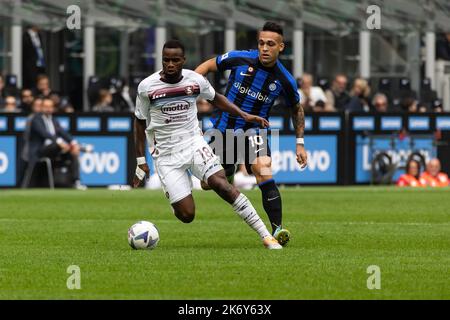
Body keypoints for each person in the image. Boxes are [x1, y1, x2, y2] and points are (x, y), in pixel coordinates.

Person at [133, 39, 281, 250]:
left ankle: (267, 236)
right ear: (162, 61)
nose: (171, 64)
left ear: (184, 60)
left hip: (194, 144)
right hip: (166, 155)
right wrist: (141, 160)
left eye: (176, 60)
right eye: (166, 60)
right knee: (187, 215)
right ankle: (178, 193)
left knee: (222, 185)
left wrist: (244, 115)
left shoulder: (195, 81)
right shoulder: (147, 87)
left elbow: (216, 98)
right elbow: (139, 121)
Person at [195, 21, 308, 246]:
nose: (264, 48)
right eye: (261, 43)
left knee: (263, 170)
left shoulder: (285, 79)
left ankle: (278, 230)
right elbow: (207, 66)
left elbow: (296, 109)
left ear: (281, 47)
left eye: (270, 44)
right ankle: (227, 173)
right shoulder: (240, 58)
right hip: (223, 130)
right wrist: (189, 91)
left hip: (255, 131)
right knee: (208, 184)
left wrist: (300, 143)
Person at [22, 97, 85, 189]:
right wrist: (60, 142)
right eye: (46, 106)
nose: (48, 109)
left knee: (73, 153)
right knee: (58, 145)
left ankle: (76, 181)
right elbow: (44, 134)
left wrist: (74, 143)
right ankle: (75, 148)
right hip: (40, 151)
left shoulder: (54, 120)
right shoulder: (36, 119)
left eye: (50, 107)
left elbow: (63, 133)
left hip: (54, 151)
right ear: (41, 107)